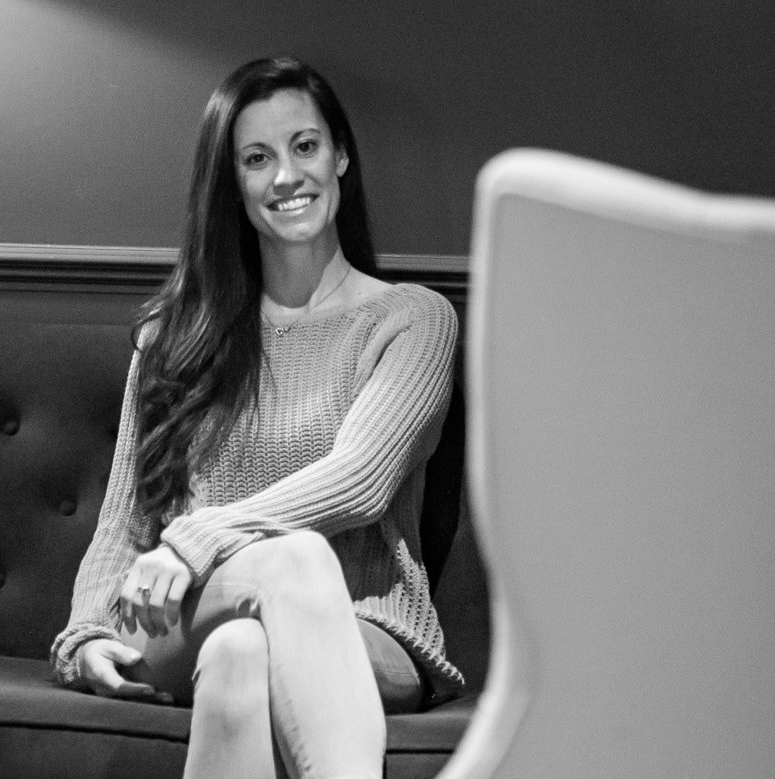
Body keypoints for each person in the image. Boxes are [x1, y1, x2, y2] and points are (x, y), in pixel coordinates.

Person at [50, 56, 464, 779]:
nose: (285, 176)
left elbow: (360, 480)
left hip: (366, 627)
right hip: (172, 618)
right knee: (284, 564)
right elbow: (122, 520)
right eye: (256, 158)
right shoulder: (174, 337)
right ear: (233, 184)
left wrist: (198, 538)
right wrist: (84, 635)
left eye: (304, 146)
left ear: (340, 156)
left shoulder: (411, 320)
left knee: (242, 649)